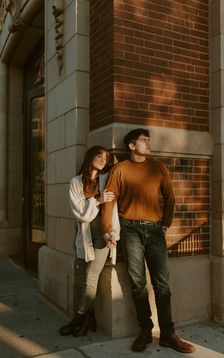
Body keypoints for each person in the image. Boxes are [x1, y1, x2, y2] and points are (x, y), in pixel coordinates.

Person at [101, 128, 195, 353]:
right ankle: (145, 330)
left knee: (162, 285)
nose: (148, 144)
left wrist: (166, 222)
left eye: (148, 140)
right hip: (130, 229)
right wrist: (107, 230)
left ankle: (168, 334)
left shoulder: (158, 167)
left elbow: (170, 196)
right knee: (138, 284)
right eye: (143, 141)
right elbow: (109, 200)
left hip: (154, 231)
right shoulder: (120, 169)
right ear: (132, 146)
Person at [59, 145, 120, 337]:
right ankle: (89, 318)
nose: (103, 159)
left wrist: (113, 233)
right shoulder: (76, 182)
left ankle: (77, 319)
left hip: (102, 235)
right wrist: (97, 201)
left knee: (91, 278)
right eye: (99, 156)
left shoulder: (106, 180)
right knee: (83, 280)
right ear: (90, 157)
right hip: (84, 236)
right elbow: (80, 213)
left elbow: (114, 211)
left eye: (106, 157)